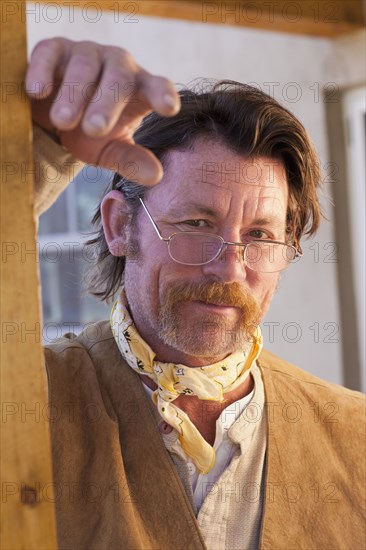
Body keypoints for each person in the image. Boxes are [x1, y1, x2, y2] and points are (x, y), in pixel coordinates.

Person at [27, 38, 365, 549]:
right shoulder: (30, 404)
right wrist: (32, 155)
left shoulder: (353, 435)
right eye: (196, 223)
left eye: (260, 235)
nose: (229, 266)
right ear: (120, 226)